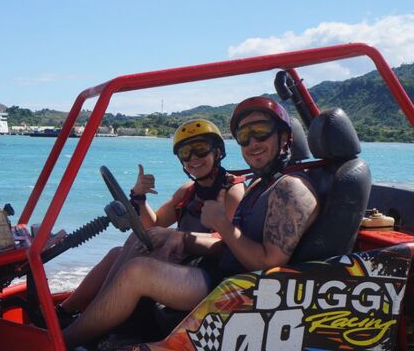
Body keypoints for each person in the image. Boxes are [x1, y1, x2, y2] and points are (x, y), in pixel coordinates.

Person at [62, 96, 319, 348]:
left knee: (138, 270)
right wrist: (139, 197)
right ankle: (81, 322)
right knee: (130, 247)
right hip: (221, 275)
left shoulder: (288, 189)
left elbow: (268, 264)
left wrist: (216, 226)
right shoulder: (262, 185)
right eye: (245, 136)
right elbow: (154, 224)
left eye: (261, 132)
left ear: (285, 137)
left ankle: (64, 341)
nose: (253, 143)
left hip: (237, 288)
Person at [56, 119, 245, 319]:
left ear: (217, 152)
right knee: (116, 252)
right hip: (181, 259)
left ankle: (95, 315)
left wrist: (178, 235)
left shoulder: (231, 191)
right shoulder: (188, 191)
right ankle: (65, 310)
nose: (193, 157)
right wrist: (140, 196)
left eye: (200, 149)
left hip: (203, 270)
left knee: (136, 252)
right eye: (185, 153)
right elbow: (154, 224)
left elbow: (230, 242)